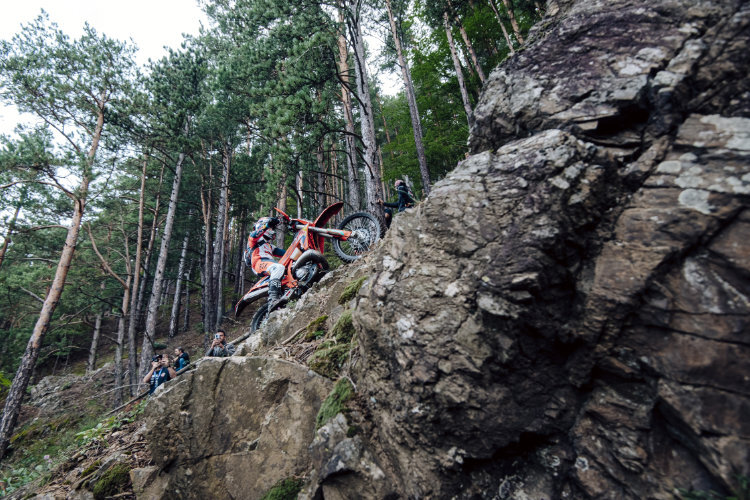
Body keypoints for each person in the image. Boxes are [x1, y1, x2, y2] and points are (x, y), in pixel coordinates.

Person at [244, 215, 286, 312]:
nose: (271, 230)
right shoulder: (253, 239)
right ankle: (273, 300)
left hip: (268, 263)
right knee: (278, 268)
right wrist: (267, 225)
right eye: (270, 228)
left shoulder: (269, 246)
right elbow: (255, 235)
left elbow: (285, 253)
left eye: (271, 228)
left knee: (286, 268)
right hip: (259, 263)